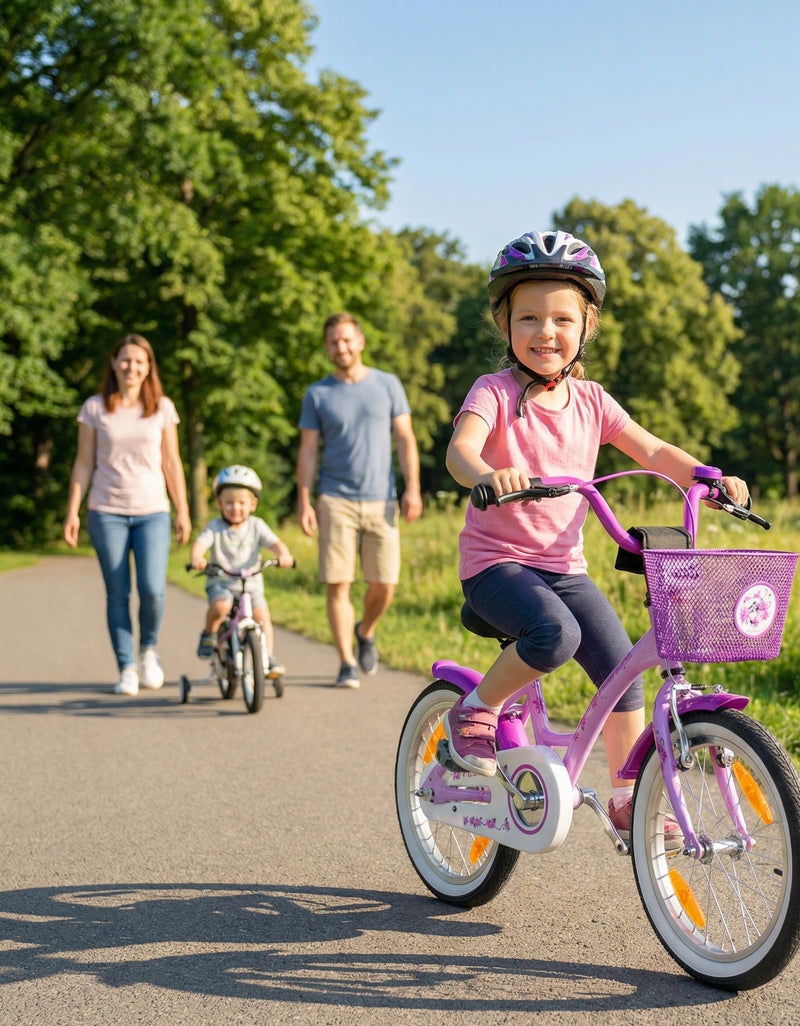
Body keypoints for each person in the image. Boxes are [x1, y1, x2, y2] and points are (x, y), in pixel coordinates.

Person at [444, 229, 750, 840]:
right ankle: (476, 709)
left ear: (587, 325)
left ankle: (625, 796)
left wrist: (707, 477)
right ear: (504, 324)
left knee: (620, 666)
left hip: (565, 567)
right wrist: (488, 474)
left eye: (561, 317)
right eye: (528, 317)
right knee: (556, 633)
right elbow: (461, 450)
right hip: (497, 566)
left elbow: (652, 448)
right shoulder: (496, 392)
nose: (545, 332)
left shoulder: (592, 401)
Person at [296, 312, 423, 687]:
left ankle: (365, 630)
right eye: (334, 342)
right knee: (339, 583)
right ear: (327, 348)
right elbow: (307, 451)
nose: (341, 347)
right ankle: (346, 662)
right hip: (334, 498)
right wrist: (304, 499)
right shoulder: (317, 394)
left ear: (361, 342)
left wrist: (412, 488)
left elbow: (405, 438)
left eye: (347, 340)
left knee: (384, 584)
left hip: (382, 499)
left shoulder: (387, 384)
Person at [63, 333, 191, 695]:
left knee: (152, 589)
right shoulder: (94, 407)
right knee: (117, 593)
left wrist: (182, 509)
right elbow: (84, 462)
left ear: (148, 367)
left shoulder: (162, 407)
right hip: (106, 511)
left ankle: (149, 650)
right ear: (114, 363)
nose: (131, 367)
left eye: (139, 361)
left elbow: (171, 462)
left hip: (153, 510)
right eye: (125, 359)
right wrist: (72, 511)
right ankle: (127, 667)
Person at [188, 466, 295, 676]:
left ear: (253, 504)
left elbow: (276, 544)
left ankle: (267, 658)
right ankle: (209, 633)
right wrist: (197, 558)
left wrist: (284, 555)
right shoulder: (214, 527)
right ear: (219, 503)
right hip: (221, 582)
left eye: (241, 502)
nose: (235, 508)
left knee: (262, 617)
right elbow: (200, 545)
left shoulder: (257, 526)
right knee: (221, 606)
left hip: (251, 584)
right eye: (228, 502)